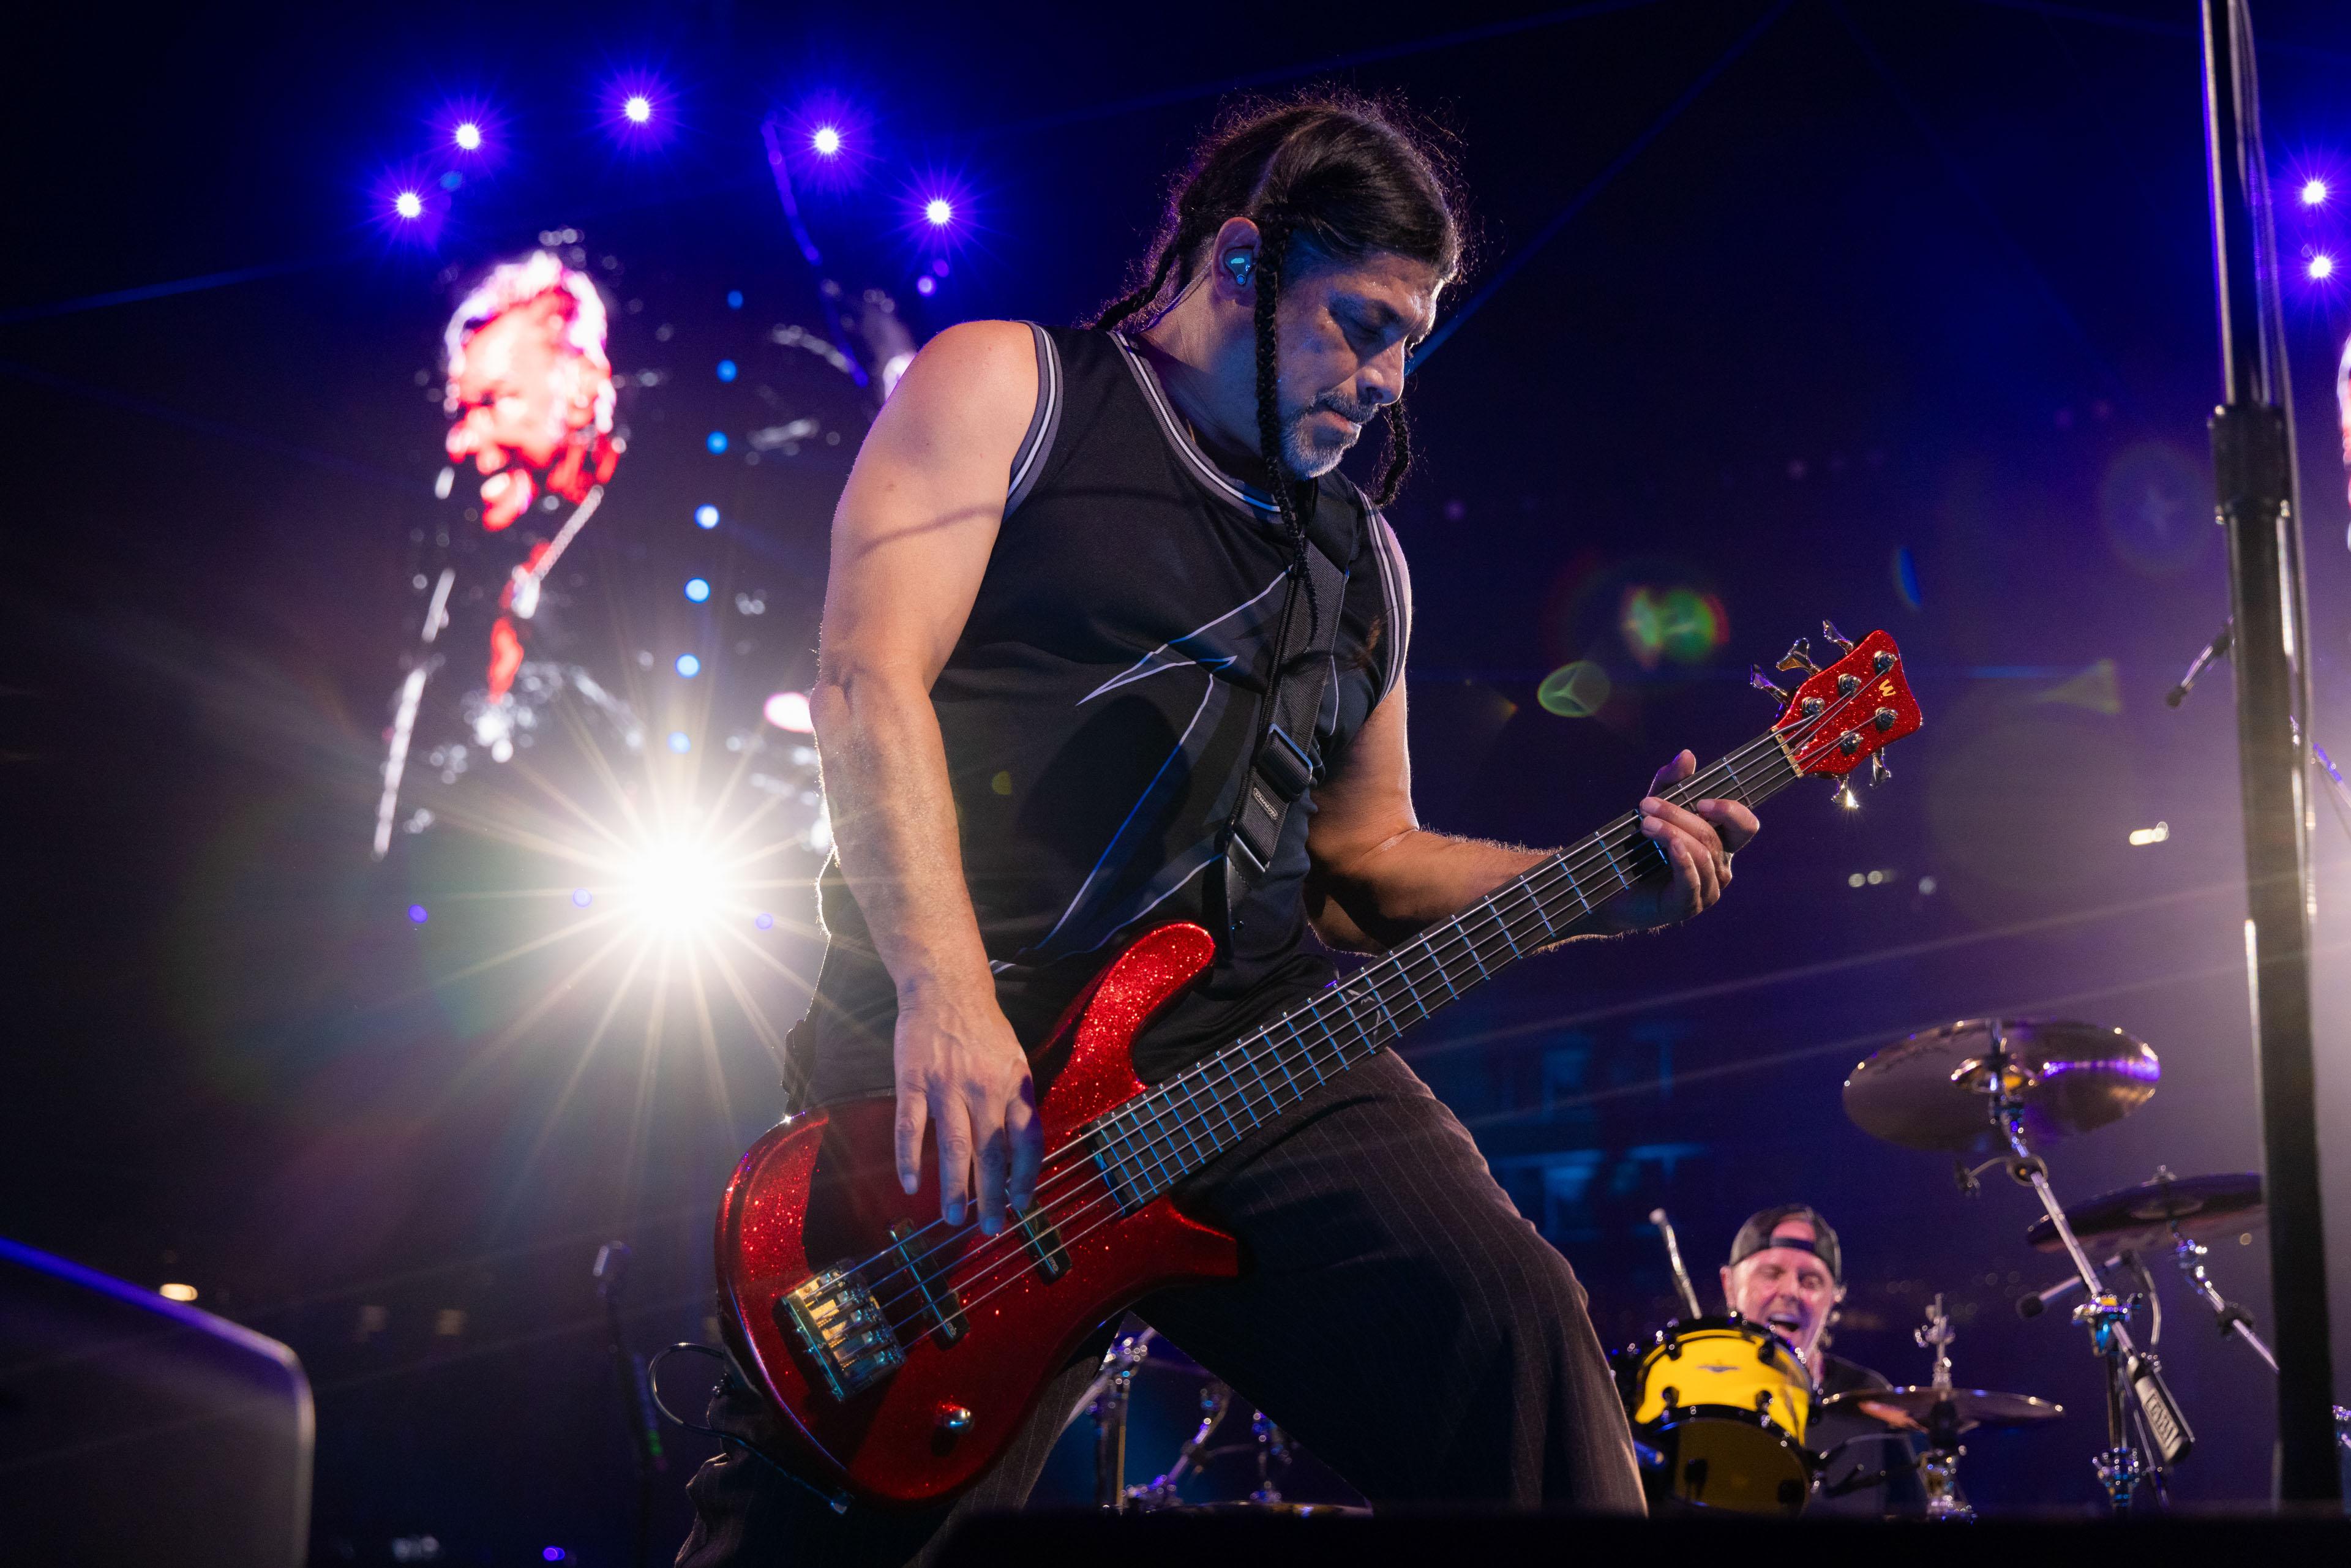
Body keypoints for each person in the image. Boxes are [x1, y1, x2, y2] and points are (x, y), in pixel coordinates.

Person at [677, 92, 1760, 1565]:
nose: (1388, 380)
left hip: (1246, 1056)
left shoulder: (1360, 558)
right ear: (1243, 264)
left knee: (1514, 1334)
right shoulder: (1008, 385)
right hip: (971, 1043)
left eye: (1412, 341)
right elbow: (867, 679)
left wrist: (1591, 881)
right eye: (1362, 325)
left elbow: (1362, 865)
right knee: (848, 1513)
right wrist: (946, 987)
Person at [1717, 1204, 1925, 1517]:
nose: (1790, 1291)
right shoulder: (1687, 1391)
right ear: (1729, 1285)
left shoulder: (1868, 1398)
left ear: (1834, 1297)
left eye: (1810, 1281)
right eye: (1771, 1274)